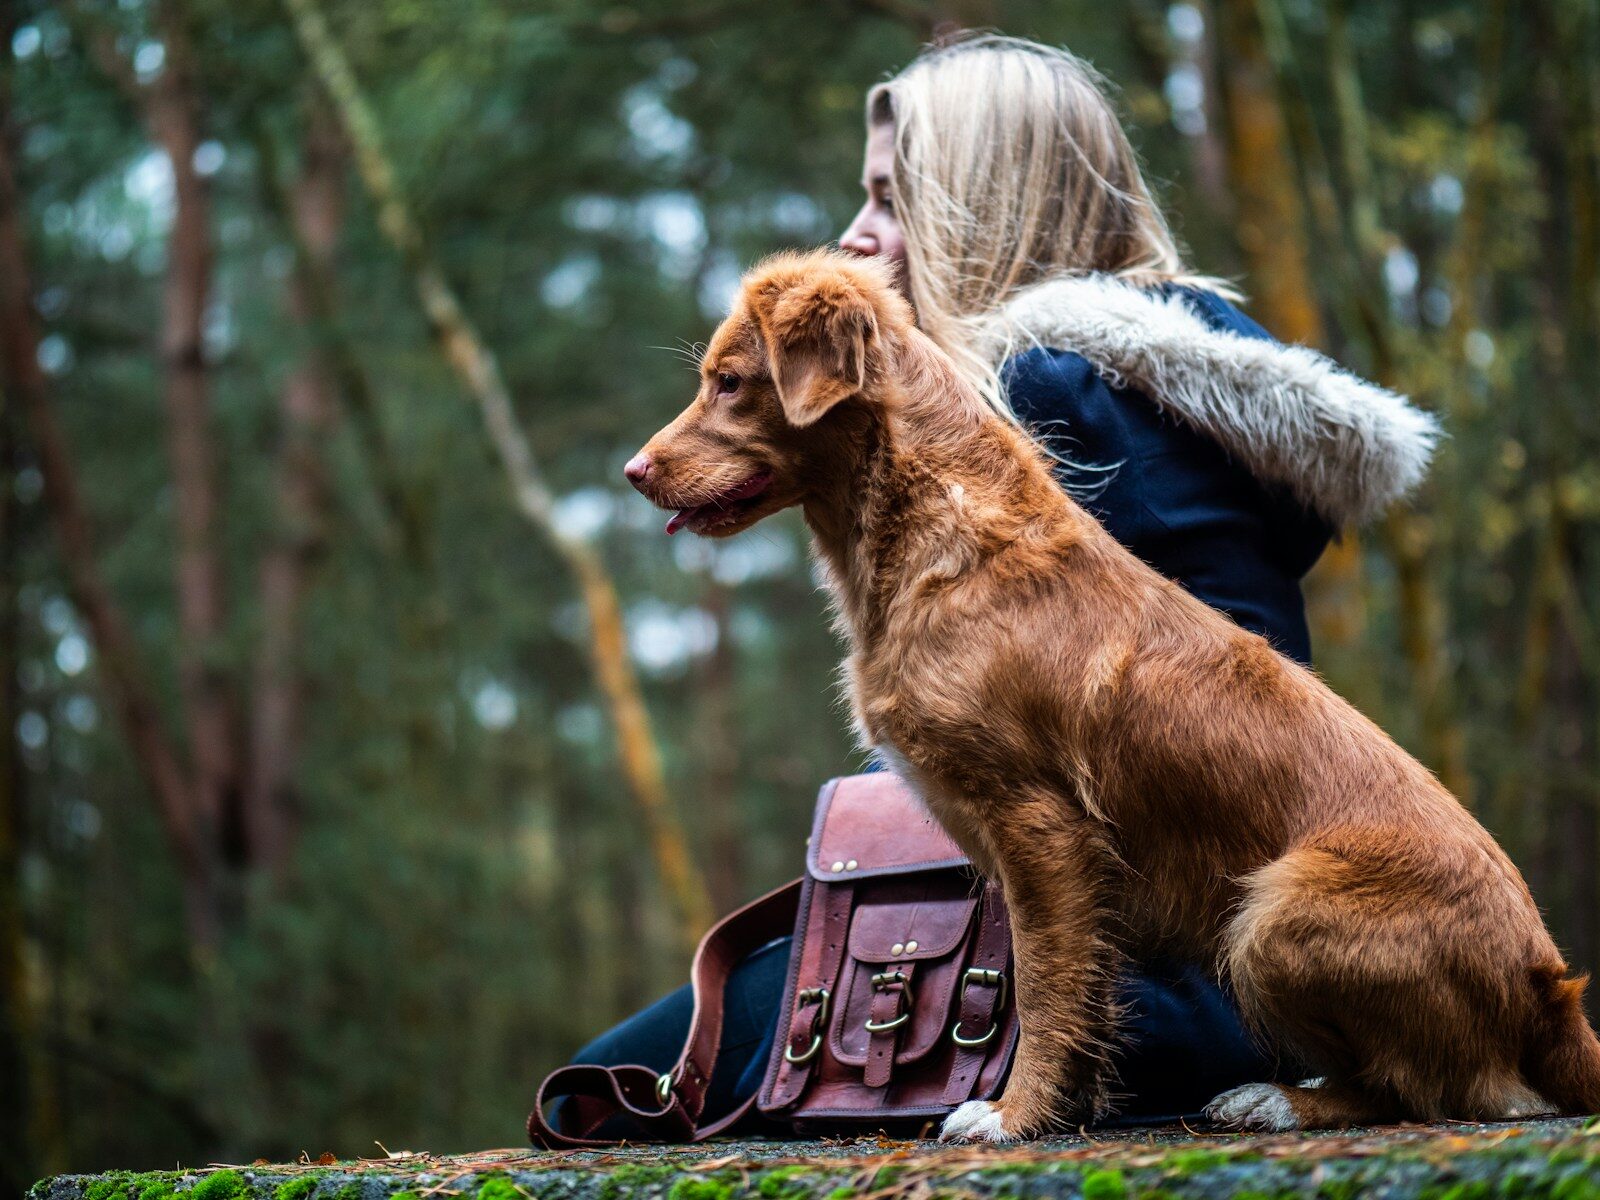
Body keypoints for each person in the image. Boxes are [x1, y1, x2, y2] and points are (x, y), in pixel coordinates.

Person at [558, 34, 1437, 1134]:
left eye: (888, 196)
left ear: (984, 204)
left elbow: (1068, 799)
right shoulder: (1152, 384)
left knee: (608, 1093)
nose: (855, 233)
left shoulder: (1041, 397)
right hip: (1210, 966)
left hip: (1146, 982)